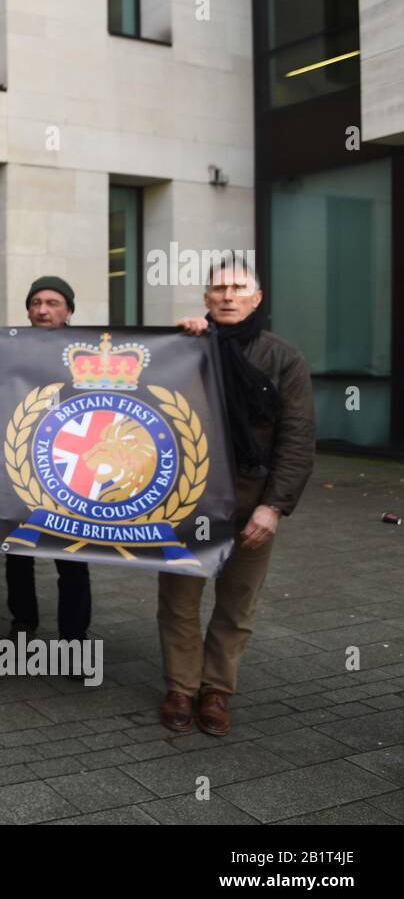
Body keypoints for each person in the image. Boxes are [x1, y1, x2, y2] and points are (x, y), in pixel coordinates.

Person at [160, 257, 315, 735]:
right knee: (179, 601)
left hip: (252, 503)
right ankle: (181, 688)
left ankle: (218, 690)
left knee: (236, 604)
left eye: (238, 288)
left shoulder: (283, 357)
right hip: (187, 504)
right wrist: (173, 342)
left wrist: (275, 507)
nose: (228, 296)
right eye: (219, 288)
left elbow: (297, 436)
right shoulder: (185, 348)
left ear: (257, 298)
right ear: (206, 298)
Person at [0, 276, 94, 683]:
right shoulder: (9, 345)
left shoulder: (89, 353)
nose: (43, 310)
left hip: (72, 472)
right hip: (22, 470)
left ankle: (75, 642)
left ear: (69, 311)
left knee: (73, 559)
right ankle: (23, 625)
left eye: (53, 302)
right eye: (36, 302)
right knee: (19, 552)